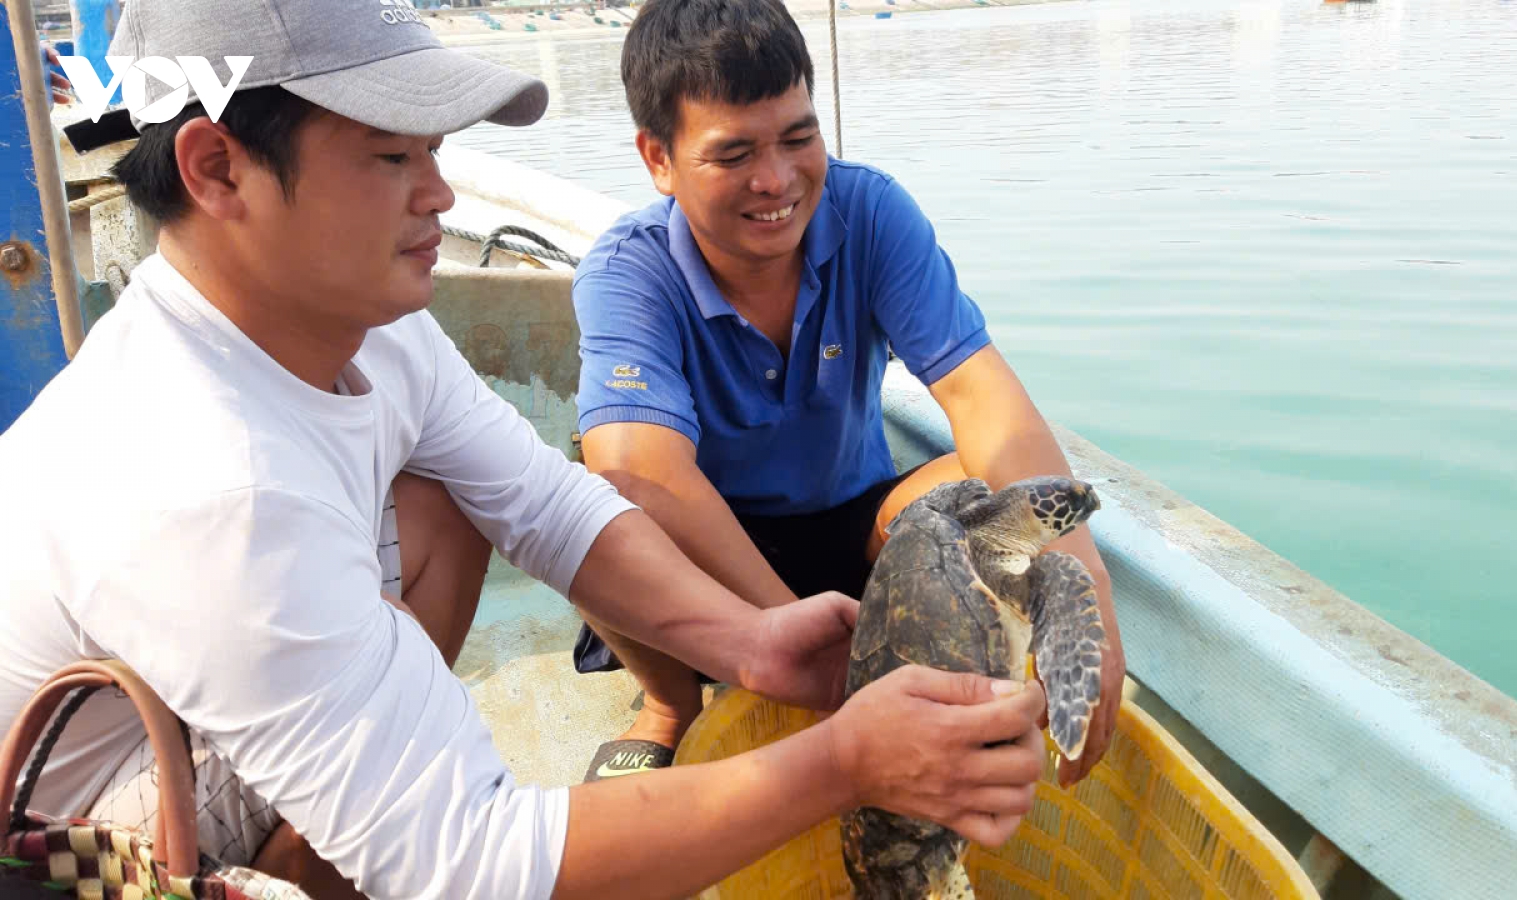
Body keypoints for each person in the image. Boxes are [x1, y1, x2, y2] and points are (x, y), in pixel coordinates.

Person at [0, 2, 1049, 899]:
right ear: (218, 169)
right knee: (426, 837)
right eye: (392, 157)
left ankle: (337, 848)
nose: (441, 197)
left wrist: (748, 641)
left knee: (444, 495)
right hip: (75, 836)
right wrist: (841, 765)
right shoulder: (207, 483)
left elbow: (544, 503)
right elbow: (471, 862)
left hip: (197, 720)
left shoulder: (370, 325)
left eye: (436, 154)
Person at [569, 0, 1126, 787]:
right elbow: (640, 469)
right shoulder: (628, 271)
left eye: (799, 137)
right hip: (707, 546)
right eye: (733, 154)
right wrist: (789, 634)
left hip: (857, 522)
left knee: (981, 490)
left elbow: (980, 397)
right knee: (587, 492)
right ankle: (668, 703)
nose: (776, 180)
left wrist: (1082, 586)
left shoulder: (869, 213)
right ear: (657, 159)